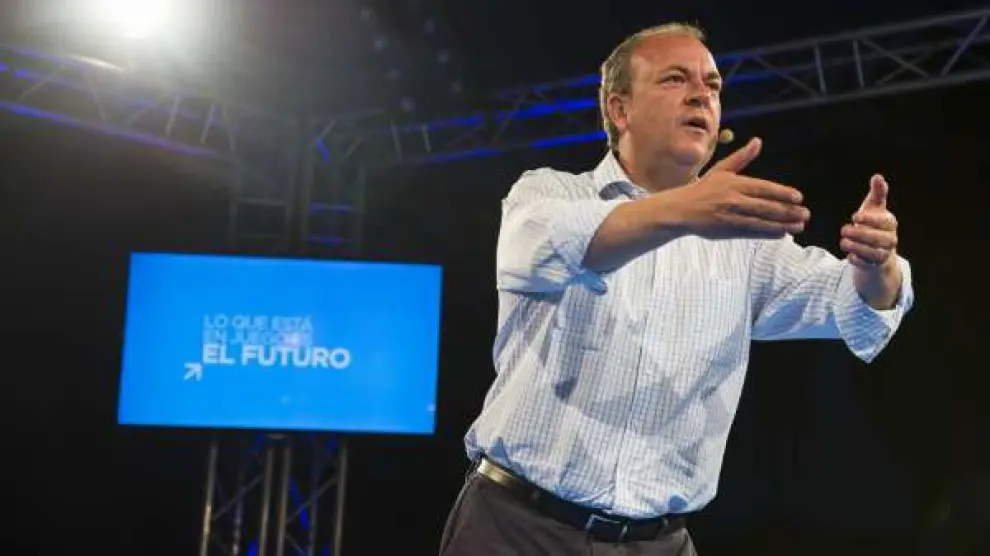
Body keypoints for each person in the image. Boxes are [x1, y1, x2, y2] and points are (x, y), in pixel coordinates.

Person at [438, 22, 914, 556]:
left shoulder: (745, 247)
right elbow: (567, 244)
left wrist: (877, 263)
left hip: (658, 543)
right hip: (517, 530)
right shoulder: (548, 193)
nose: (701, 95)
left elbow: (857, 307)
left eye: (712, 85)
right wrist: (685, 209)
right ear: (619, 110)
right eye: (674, 79)